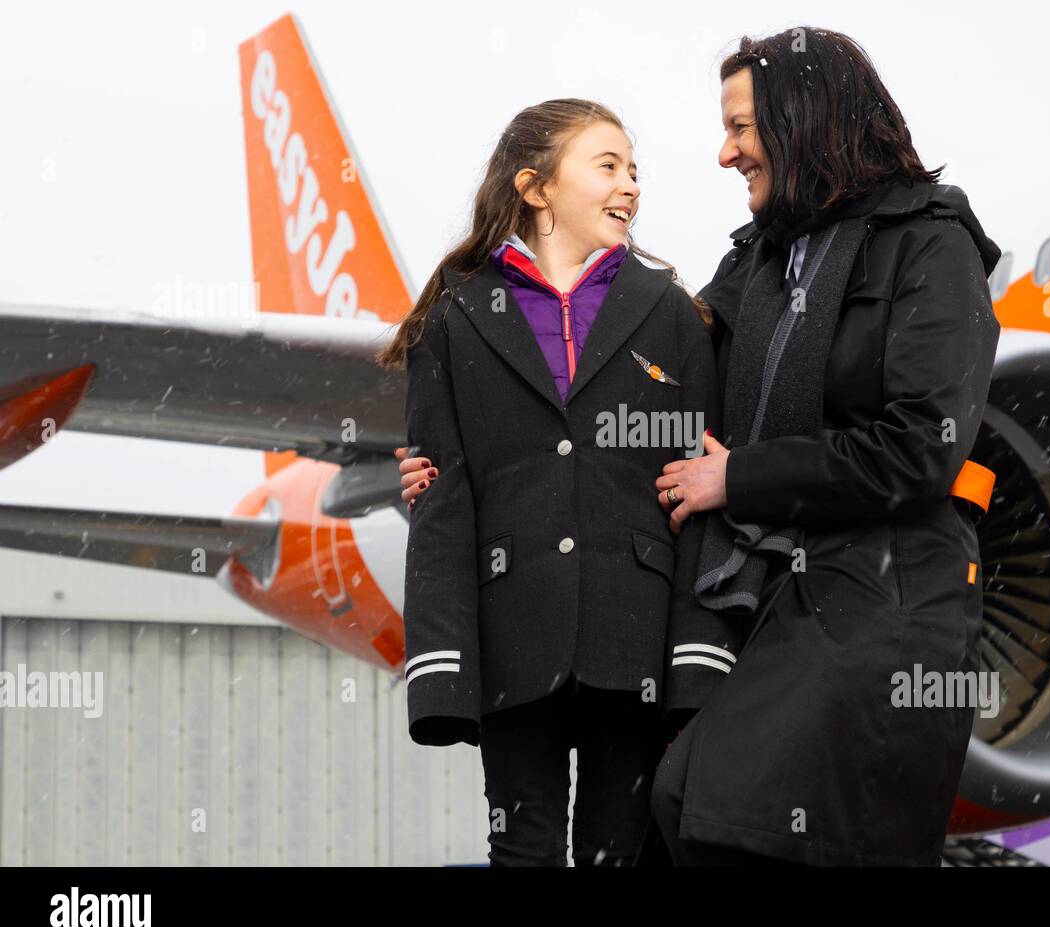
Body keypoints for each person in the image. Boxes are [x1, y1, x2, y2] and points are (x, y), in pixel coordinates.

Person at [644, 27, 1003, 866]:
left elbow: (920, 448)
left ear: (802, 118)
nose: (724, 153)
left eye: (740, 127)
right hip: (785, 591)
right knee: (685, 802)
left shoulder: (929, 242)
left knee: (726, 815)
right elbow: (660, 373)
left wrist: (743, 476)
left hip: (889, 596)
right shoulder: (762, 261)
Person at [376, 99, 743, 866]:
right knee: (522, 849)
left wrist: (698, 659)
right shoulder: (457, 317)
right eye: (607, 166)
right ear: (536, 187)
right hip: (515, 637)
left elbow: (699, 494)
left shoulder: (674, 317)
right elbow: (442, 509)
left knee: (625, 852)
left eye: (635, 170)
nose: (631, 185)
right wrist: (441, 668)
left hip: (636, 641)